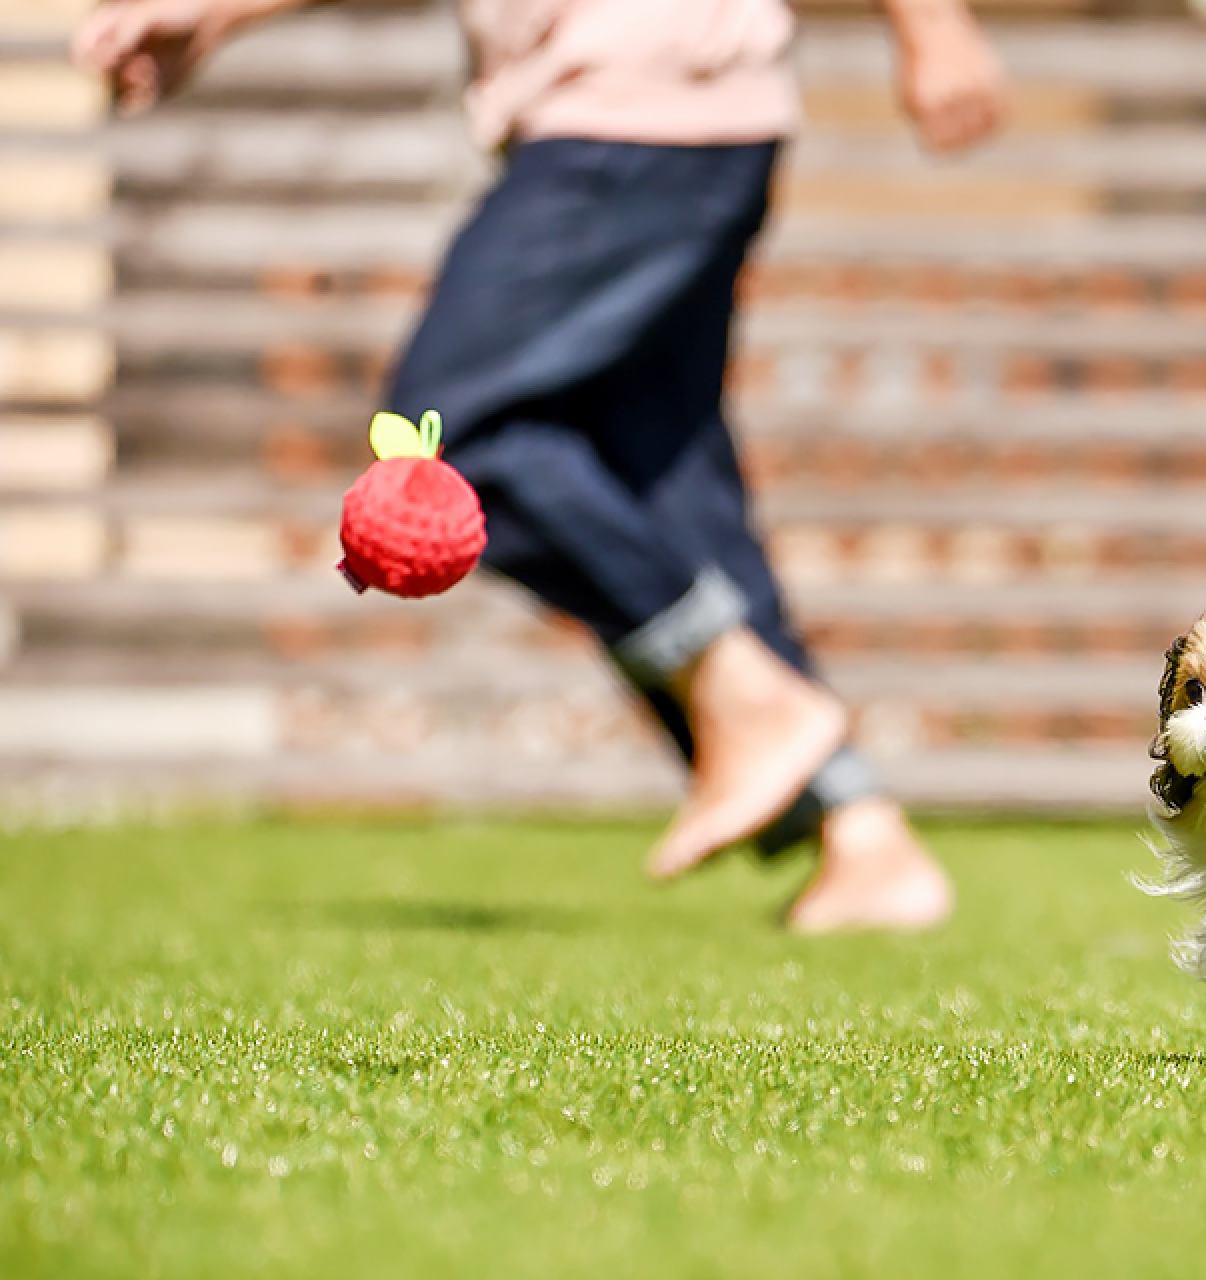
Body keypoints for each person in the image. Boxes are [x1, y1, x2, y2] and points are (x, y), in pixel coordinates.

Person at [75, 0, 1010, 931]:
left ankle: (738, 687)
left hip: (636, 101)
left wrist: (931, 22)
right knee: (660, 467)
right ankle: (861, 836)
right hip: (679, 112)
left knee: (446, 440)